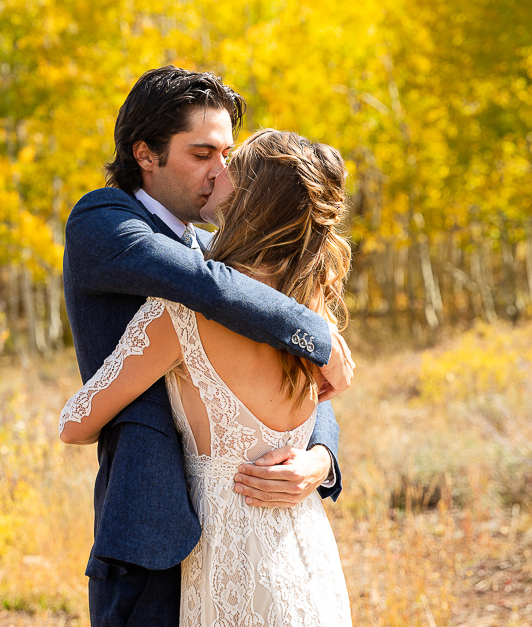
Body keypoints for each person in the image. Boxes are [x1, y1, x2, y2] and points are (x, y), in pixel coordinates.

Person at [62, 66, 354, 627]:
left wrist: (321, 458)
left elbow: (298, 381)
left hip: (249, 525)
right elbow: (206, 288)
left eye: (227, 154)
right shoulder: (105, 222)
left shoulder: (219, 246)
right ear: (145, 153)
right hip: (150, 527)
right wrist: (316, 330)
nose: (221, 171)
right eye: (202, 154)